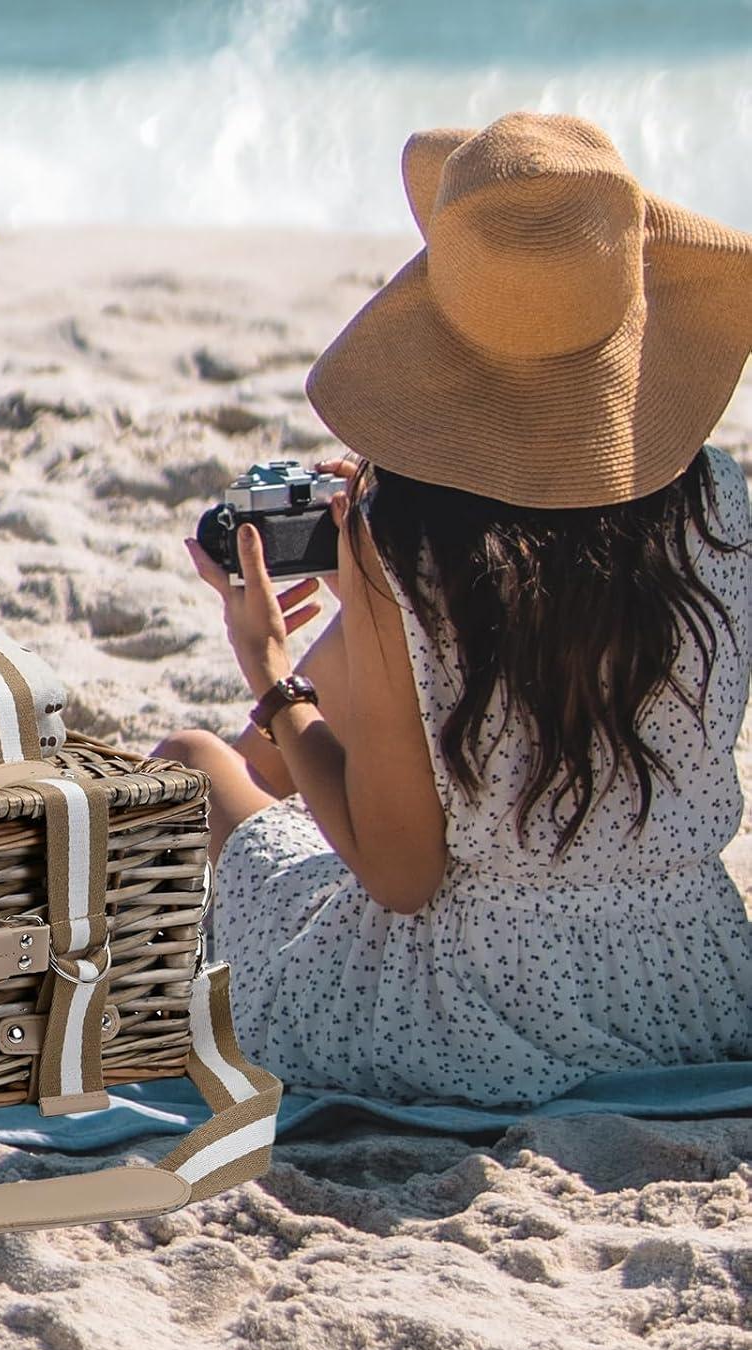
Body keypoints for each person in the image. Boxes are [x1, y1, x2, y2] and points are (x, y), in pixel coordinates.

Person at [154, 112, 752, 1107]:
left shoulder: (416, 548)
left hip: (482, 1010)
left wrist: (272, 669)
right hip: (698, 985)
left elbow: (401, 877)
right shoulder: (721, 502)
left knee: (191, 769)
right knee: (288, 748)